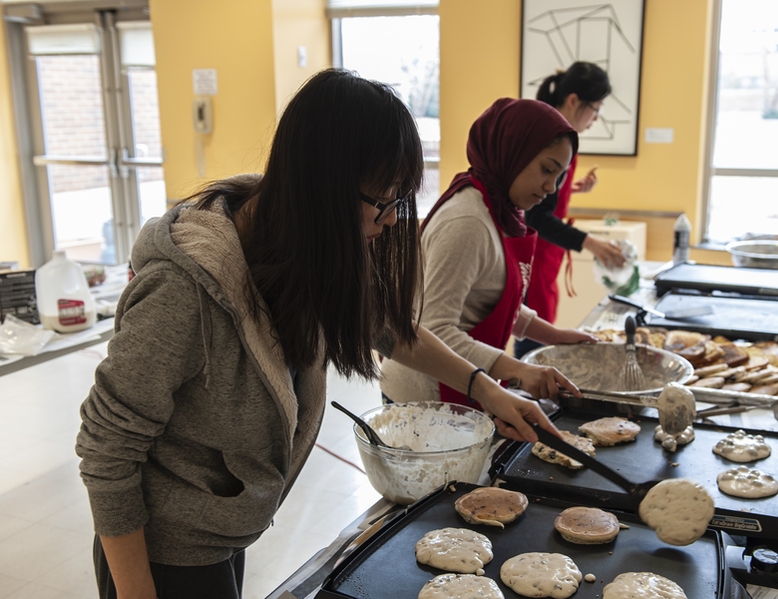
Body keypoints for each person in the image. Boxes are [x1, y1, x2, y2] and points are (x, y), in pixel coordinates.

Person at [75, 69, 572, 599]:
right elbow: (107, 449)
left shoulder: (302, 243)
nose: (388, 222)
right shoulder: (184, 289)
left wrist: (488, 388)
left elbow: (387, 327)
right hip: (161, 549)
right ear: (323, 183)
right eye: (382, 202)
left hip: (217, 530)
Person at [379, 97, 597, 406]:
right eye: (547, 170)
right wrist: (520, 370)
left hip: (458, 387)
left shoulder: (499, 210)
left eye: (559, 177)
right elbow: (434, 329)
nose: (552, 188)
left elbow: (492, 300)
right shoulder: (468, 221)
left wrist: (555, 336)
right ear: (512, 152)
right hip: (423, 397)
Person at [514, 62, 627, 359]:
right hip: (531, 258)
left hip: (544, 258)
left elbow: (541, 199)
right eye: (596, 108)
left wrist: (571, 188)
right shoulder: (552, 138)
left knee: (533, 336)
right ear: (574, 100)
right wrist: (591, 243)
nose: (595, 118)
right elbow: (536, 216)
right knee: (531, 345)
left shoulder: (559, 138)